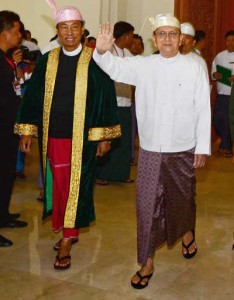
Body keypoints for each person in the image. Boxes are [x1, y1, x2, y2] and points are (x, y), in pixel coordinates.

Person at [93, 14, 211, 289]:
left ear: (181, 38)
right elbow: (113, 67)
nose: (167, 39)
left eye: (173, 34)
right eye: (162, 34)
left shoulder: (194, 66)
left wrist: (202, 147)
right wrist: (101, 50)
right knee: (146, 208)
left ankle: (186, 233)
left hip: (182, 148)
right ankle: (146, 262)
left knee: (182, 202)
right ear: (154, 38)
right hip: (150, 151)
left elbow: (203, 108)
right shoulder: (143, 65)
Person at [15, 2, 121, 269]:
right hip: (53, 135)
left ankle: (67, 239)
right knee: (57, 184)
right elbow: (33, 97)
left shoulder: (93, 59)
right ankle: (64, 226)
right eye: (64, 27)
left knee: (77, 185)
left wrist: (104, 136)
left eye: (75, 27)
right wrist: (27, 130)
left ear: (83, 30)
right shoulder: (48, 60)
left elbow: (105, 97)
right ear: (58, 30)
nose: (70, 32)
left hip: (82, 139)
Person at [0, 10, 28, 247]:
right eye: (17, 30)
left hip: (8, 127)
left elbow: (13, 86)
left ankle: (3, 215)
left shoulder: (6, 58)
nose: (20, 35)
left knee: (7, 174)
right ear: (6, 32)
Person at [96, 21, 134, 185]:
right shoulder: (109, 51)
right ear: (125, 35)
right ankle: (102, 174)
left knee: (124, 142)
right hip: (111, 103)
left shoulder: (128, 54)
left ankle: (120, 174)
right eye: (131, 36)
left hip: (125, 104)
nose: (132, 40)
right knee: (109, 140)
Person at [212, 30, 234, 157]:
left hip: (232, 94)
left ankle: (227, 147)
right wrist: (215, 74)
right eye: (228, 40)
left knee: (228, 121)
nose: (230, 43)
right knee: (217, 120)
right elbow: (213, 71)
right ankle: (226, 144)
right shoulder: (219, 56)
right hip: (221, 93)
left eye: (233, 40)